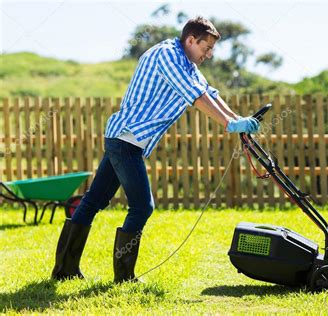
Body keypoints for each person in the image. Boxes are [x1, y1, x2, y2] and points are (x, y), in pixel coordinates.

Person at [51, 16, 260, 283]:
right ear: (191, 40)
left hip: (126, 141)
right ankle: (123, 276)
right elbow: (195, 96)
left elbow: (209, 92)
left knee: (94, 201)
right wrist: (229, 124)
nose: (209, 54)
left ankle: (65, 270)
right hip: (126, 139)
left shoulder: (187, 63)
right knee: (142, 206)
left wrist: (238, 121)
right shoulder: (167, 55)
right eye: (206, 48)